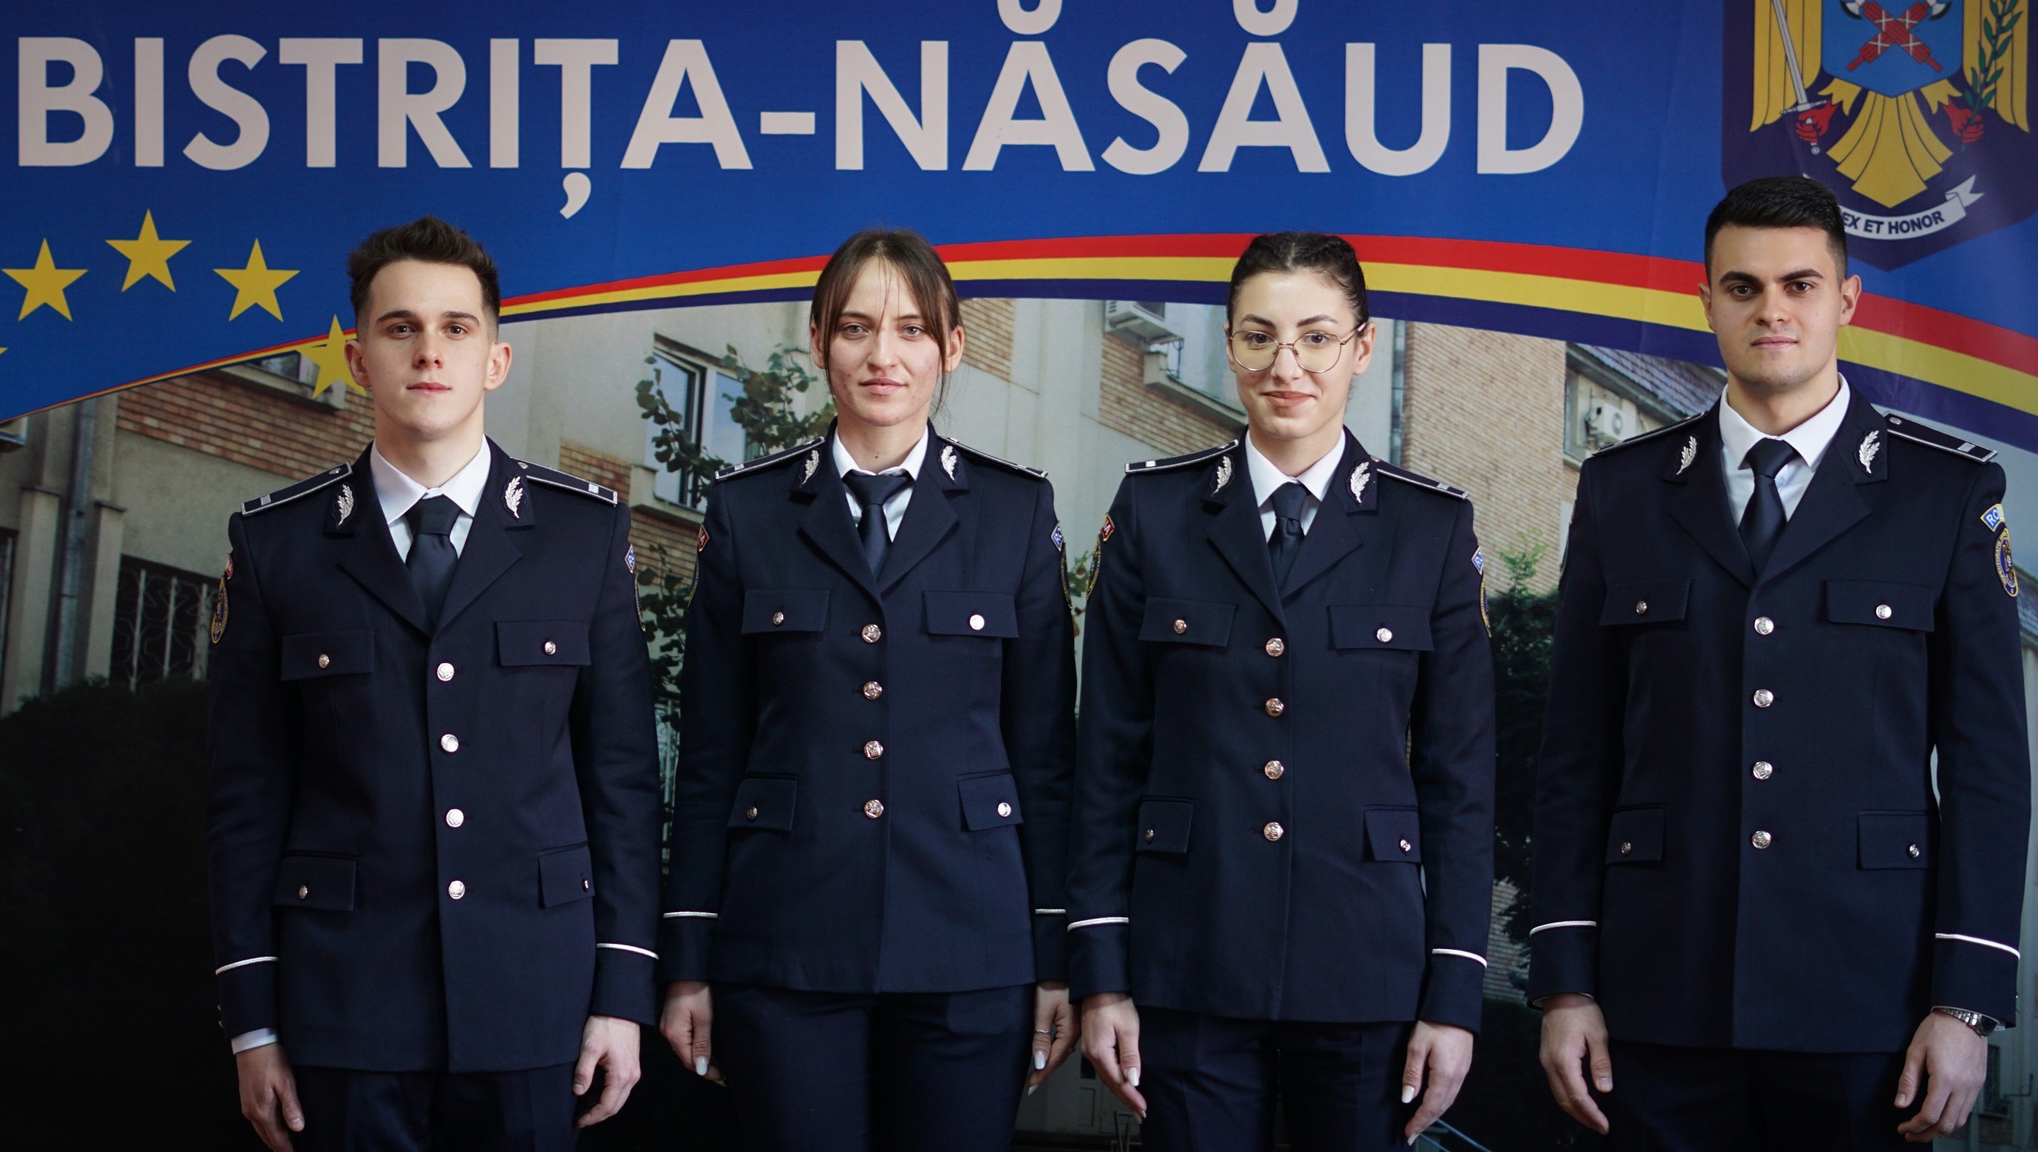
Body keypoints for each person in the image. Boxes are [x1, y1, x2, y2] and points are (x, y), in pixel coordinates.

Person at [1531, 175, 2030, 1149]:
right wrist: (1562, 982)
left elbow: (1988, 769)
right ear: (1706, 300)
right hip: (1655, 996)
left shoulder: (1945, 494)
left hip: (1867, 1003)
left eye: (1799, 284)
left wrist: (1965, 1003)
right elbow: (1574, 756)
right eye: (1742, 287)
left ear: (1846, 300)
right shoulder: (1622, 491)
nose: (1771, 310)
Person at [206, 216, 662, 1152]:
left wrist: (622, 991)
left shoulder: (583, 536)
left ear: (496, 360)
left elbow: (621, 780)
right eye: (400, 327)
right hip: (343, 1003)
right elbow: (245, 796)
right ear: (356, 357)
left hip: (535, 1001)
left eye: (457, 328)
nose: (429, 352)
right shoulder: (278, 544)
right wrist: (252, 1021)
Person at [1068, 232, 1497, 1151]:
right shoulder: (1155, 511)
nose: (1286, 365)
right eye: (1259, 337)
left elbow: (1460, 781)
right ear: (1230, 345)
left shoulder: (1429, 527)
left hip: (1367, 970)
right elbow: (1106, 757)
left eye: (1316, 337)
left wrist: (1455, 992)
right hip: (1189, 961)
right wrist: (1101, 972)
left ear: (1363, 346)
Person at [656, 227, 1079, 1152]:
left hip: (970, 946)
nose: (883, 354)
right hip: (786, 946)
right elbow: (711, 753)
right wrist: (687, 958)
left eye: (912, 330)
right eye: (855, 328)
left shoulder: (1014, 512)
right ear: (819, 341)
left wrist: (1055, 957)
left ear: (951, 347)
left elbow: (1046, 759)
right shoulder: (748, 510)